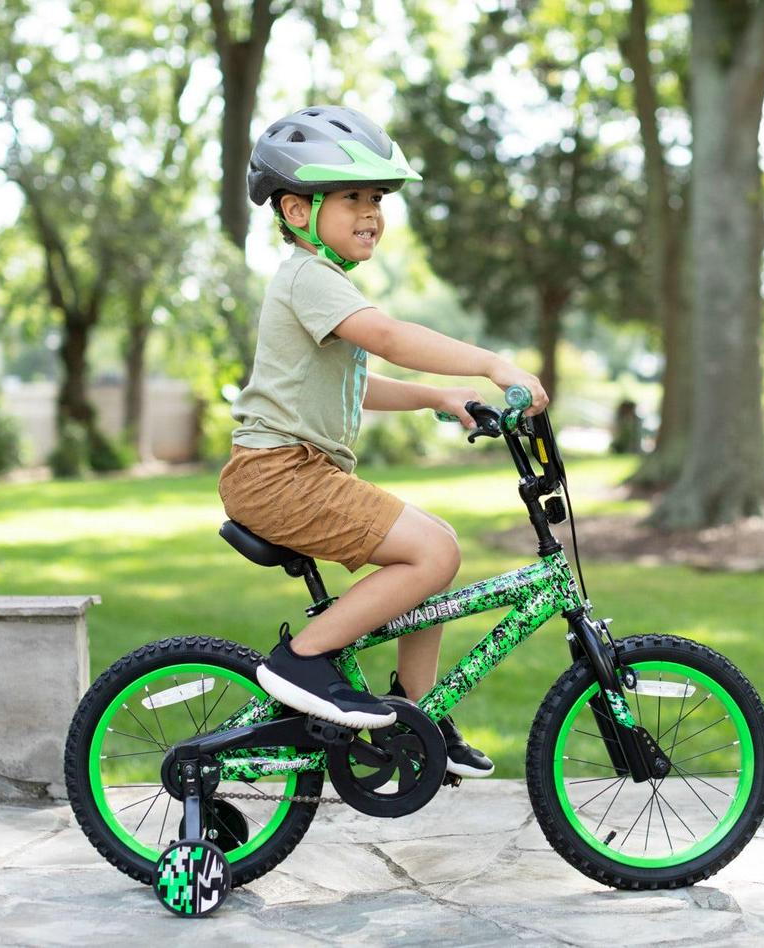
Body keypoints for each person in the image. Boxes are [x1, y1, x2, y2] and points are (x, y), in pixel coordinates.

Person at [217, 105, 549, 778]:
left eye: (377, 198)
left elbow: (354, 384)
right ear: (297, 210)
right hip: (278, 476)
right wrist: (492, 364)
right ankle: (302, 660)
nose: (371, 212)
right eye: (352, 197)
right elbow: (392, 338)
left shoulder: (323, 285)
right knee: (433, 552)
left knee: (434, 547)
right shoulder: (308, 276)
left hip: (297, 474)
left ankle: (416, 715)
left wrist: (436, 396)